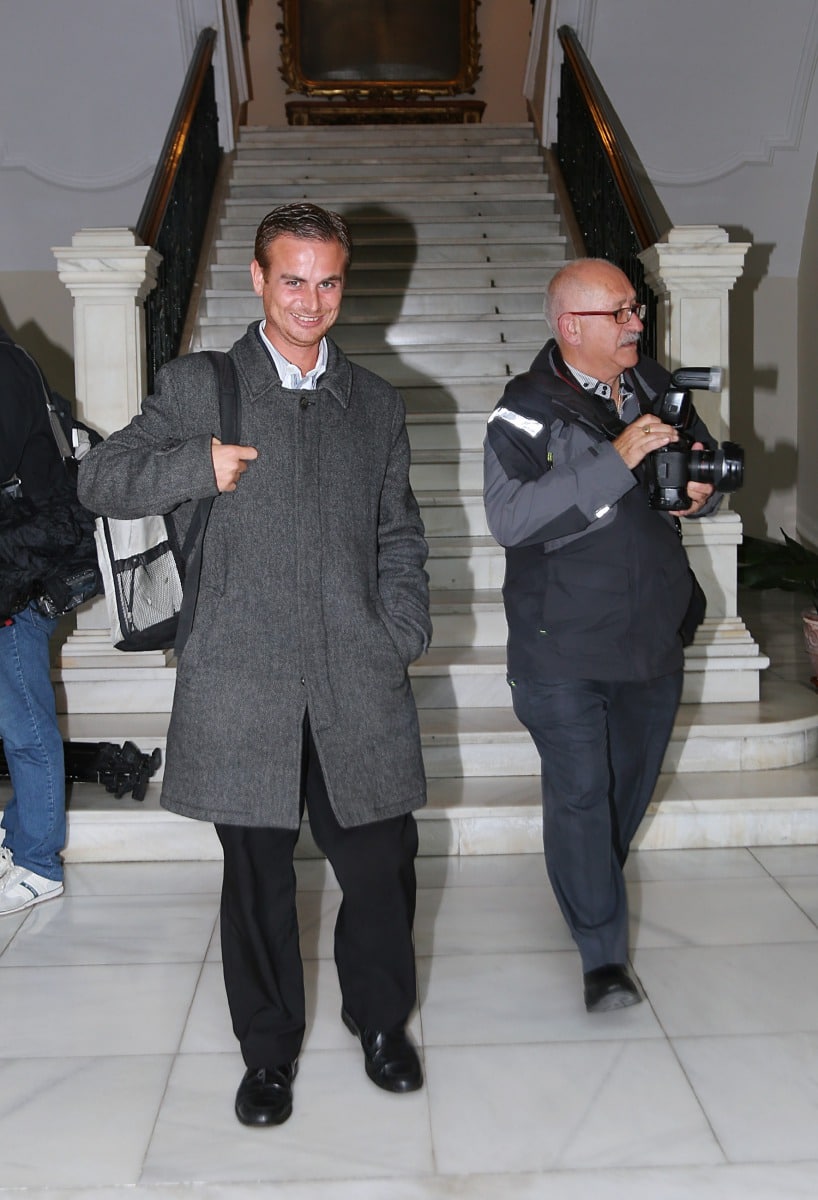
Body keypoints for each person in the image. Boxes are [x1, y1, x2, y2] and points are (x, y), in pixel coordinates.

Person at [78, 203, 432, 1126]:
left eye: (328, 281)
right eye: (293, 280)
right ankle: (268, 1053)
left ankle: (380, 1020)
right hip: (243, 676)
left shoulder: (376, 404)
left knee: (381, 861)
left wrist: (399, 630)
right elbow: (99, 479)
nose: (311, 300)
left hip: (356, 672)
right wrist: (194, 466)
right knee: (257, 875)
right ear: (259, 279)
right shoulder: (203, 386)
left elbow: (399, 531)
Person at [483, 258, 718, 1013]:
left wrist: (700, 493)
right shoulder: (524, 409)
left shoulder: (653, 385)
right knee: (583, 791)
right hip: (562, 643)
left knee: (625, 790)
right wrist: (618, 460)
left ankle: (586, 884)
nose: (636, 322)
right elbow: (511, 519)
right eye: (619, 312)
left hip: (651, 634)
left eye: (634, 309)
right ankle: (602, 957)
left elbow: (698, 463)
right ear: (571, 326)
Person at [0, 326, 92, 914]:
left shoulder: (5, 370)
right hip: (19, 565)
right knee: (15, 718)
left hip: (24, 577)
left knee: (25, 725)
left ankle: (38, 863)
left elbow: (29, 489)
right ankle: (18, 838)